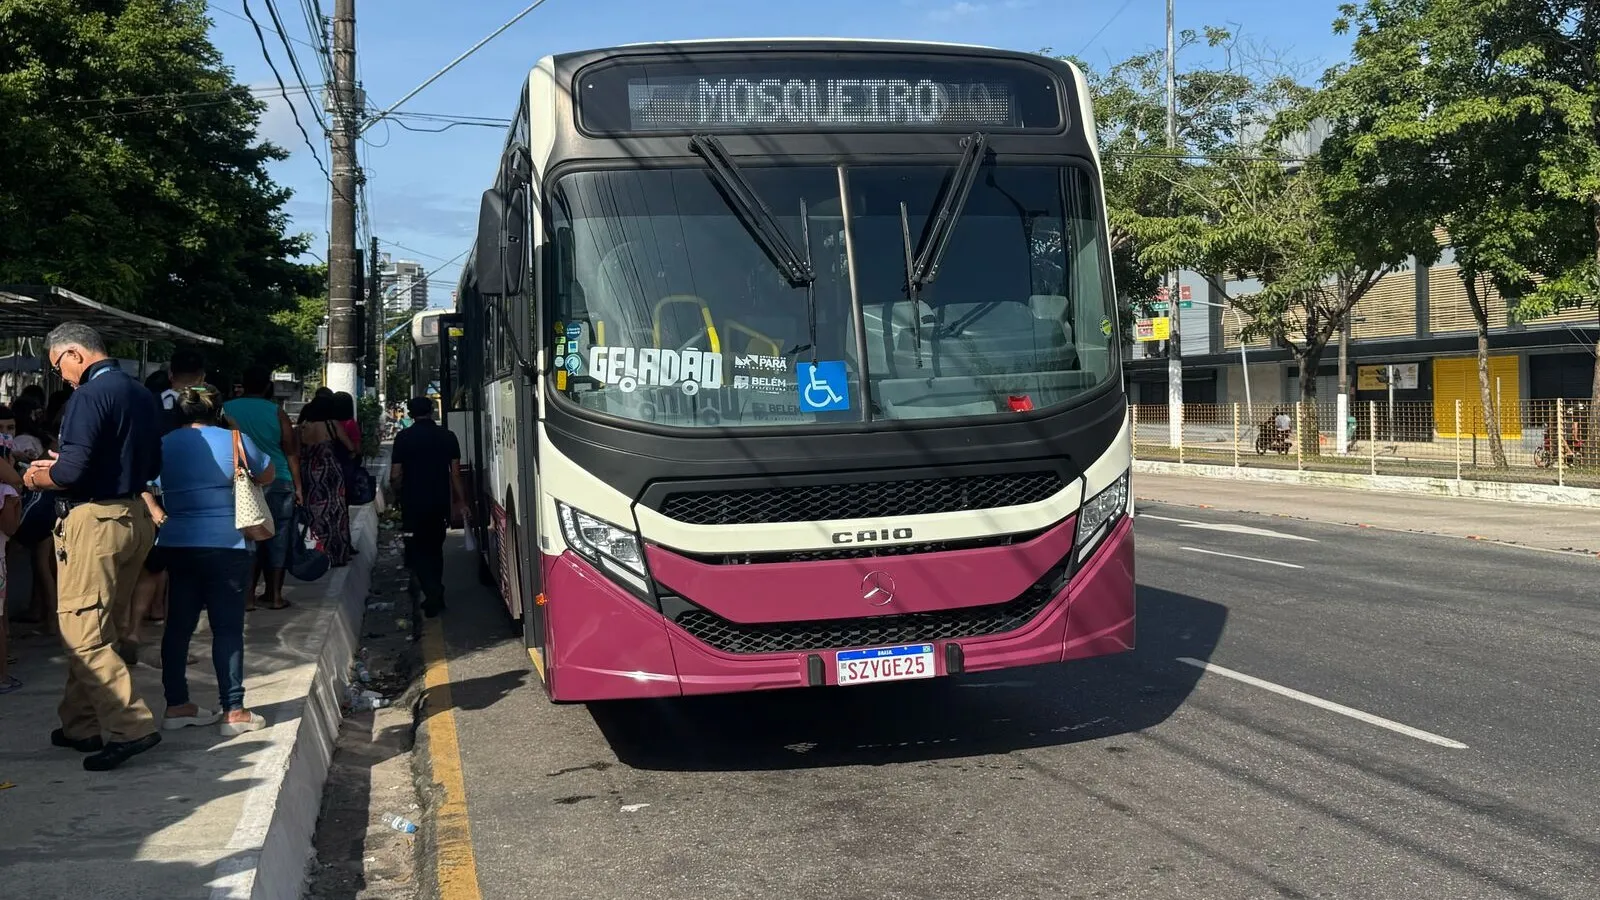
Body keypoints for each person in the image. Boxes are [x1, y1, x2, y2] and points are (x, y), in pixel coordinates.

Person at [25, 323, 163, 770]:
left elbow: (69, 473)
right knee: (100, 627)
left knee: (82, 633)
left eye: (58, 366)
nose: (61, 377)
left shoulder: (87, 397)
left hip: (94, 522)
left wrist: (35, 476)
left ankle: (131, 726)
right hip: (134, 516)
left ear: (74, 354)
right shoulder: (141, 394)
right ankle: (80, 724)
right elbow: (151, 461)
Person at [152, 385, 272, 736]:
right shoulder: (234, 439)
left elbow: (145, 483)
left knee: (177, 626)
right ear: (218, 409)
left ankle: (176, 706)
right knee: (227, 628)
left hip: (175, 542)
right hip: (226, 544)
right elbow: (267, 475)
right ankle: (233, 710)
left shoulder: (163, 443)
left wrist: (158, 512)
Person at [225, 366, 302, 611]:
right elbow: (291, 452)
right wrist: (298, 487)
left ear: (243, 386)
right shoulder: (276, 411)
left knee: (248, 536)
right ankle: (275, 595)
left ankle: (247, 596)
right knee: (278, 537)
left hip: (240, 481)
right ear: (268, 387)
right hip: (278, 479)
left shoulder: (227, 409)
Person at [390, 396, 466, 617]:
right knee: (435, 548)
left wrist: (397, 494)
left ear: (411, 414)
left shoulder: (403, 438)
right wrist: (461, 501)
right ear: (432, 411)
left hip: (412, 504)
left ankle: (431, 592)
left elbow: (395, 475)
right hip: (438, 503)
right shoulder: (447, 436)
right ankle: (436, 591)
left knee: (417, 549)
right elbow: (455, 474)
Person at [298, 394, 356, 566]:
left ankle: (316, 554)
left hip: (309, 472)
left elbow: (296, 452)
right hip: (331, 474)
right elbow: (351, 447)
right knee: (336, 513)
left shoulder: (302, 427)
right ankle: (337, 554)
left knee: (313, 513)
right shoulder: (332, 424)